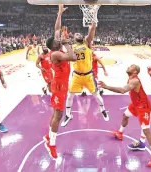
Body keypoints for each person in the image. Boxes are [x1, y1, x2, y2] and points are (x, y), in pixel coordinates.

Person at [99, 64, 151, 167]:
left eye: (131, 66)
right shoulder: (131, 78)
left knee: (146, 130)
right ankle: (120, 133)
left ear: (135, 72)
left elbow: (123, 90)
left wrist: (106, 86)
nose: (128, 67)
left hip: (143, 106)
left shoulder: (135, 81)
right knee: (125, 115)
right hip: (135, 105)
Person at [43, 5, 77, 159]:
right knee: (58, 115)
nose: (59, 39)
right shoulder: (56, 53)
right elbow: (73, 57)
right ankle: (52, 145)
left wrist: (59, 13)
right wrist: (68, 42)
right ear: (54, 46)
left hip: (61, 85)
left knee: (55, 113)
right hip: (58, 86)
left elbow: (56, 29)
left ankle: (48, 136)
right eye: (57, 41)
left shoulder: (56, 47)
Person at [61, 23, 109, 127]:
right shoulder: (72, 47)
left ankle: (103, 110)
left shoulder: (87, 43)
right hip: (77, 76)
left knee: (96, 95)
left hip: (88, 76)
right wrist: (64, 39)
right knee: (69, 96)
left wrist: (93, 26)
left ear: (82, 37)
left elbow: (91, 35)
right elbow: (65, 49)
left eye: (79, 33)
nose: (77, 34)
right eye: (76, 34)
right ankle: (68, 115)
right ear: (74, 38)